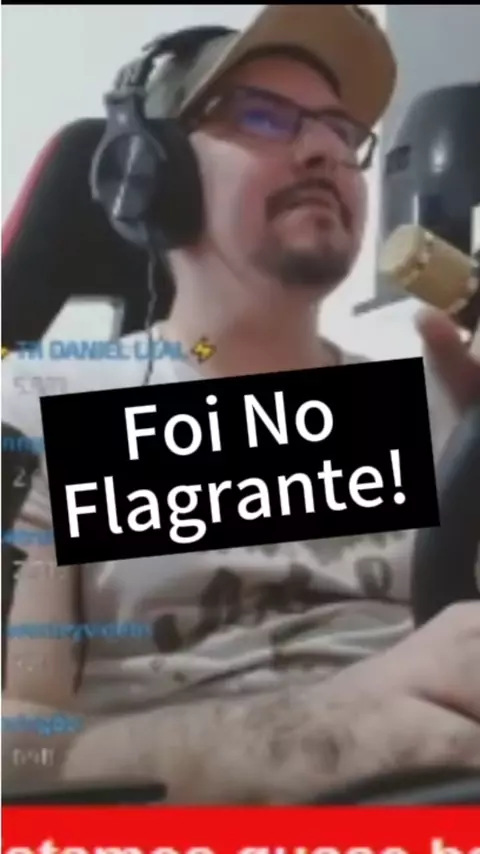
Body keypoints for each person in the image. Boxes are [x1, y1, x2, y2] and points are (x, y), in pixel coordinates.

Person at [2, 4, 480, 803]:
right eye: (263, 115)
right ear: (153, 173)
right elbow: (14, 744)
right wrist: (297, 736)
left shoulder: (436, 399)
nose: (325, 149)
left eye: (342, 130)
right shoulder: (40, 407)